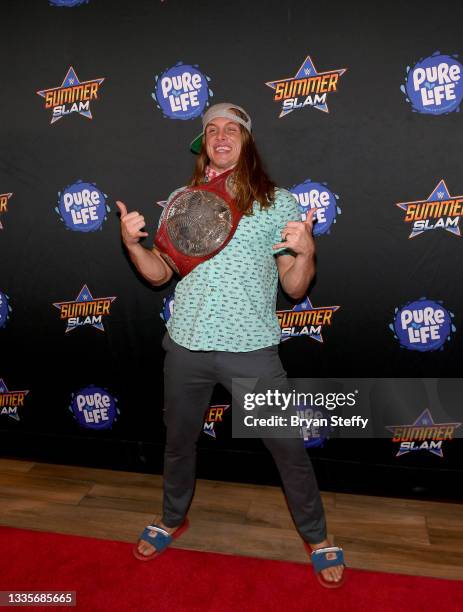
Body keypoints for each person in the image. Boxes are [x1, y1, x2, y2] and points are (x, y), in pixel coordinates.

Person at [116, 103, 345, 587]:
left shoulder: (277, 202)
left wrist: (306, 252)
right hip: (186, 347)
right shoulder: (183, 199)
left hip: (252, 350)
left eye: (232, 130)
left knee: (287, 447)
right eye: (212, 130)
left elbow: (297, 288)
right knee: (178, 443)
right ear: (203, 146)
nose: (221, 136)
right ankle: (172, 518)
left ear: (247, 141)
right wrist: (135, 246)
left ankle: (318, 537)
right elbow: (162, 274)